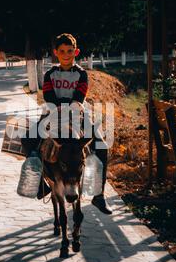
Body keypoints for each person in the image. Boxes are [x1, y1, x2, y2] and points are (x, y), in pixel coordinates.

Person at [21, 33, 112, 215]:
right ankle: (40, 184)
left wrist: (71, 107)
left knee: (102, 145)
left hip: (77, 112)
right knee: (27, 139)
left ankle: (98, 195)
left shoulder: (81, 74)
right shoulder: (50, 74)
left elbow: (80, 95)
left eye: (69, 51)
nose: (65, 54)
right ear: (56, 52)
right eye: (61, 51)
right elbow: (48, 95)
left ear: (76, 52)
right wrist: (57, 109)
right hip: (53, 112)